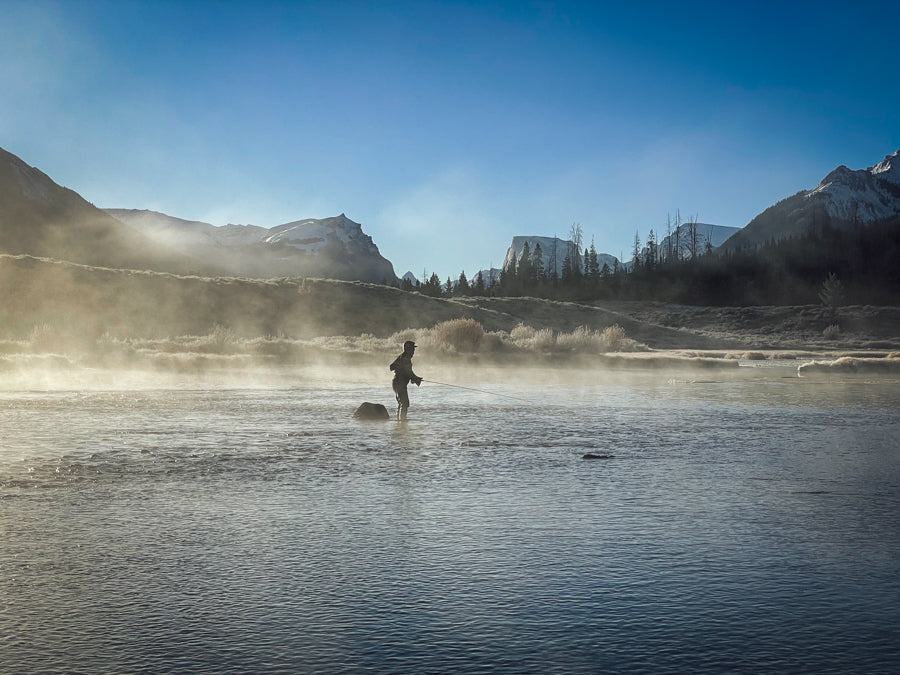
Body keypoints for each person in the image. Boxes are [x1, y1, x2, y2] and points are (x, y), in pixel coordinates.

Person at [389, 340, 422, 420]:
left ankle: (400, 421)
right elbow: (407, 372)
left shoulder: (402, 357)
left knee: (402, 403)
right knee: (405, 403)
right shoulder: (405, 358)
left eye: (414, 350)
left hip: (398, 383)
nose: (414, 351)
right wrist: (415, 378)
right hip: (399, 383)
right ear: (407, 349)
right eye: (412, 349)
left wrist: (414, 378)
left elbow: (393, 367)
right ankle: (402, 421)